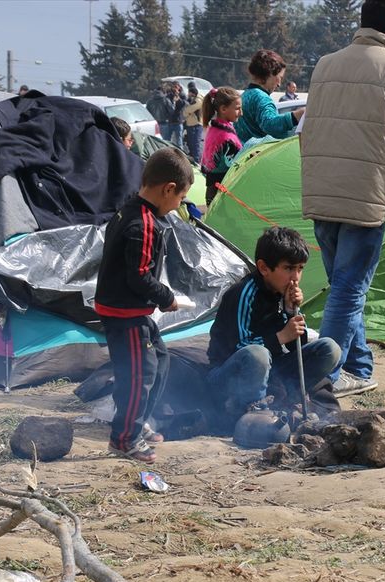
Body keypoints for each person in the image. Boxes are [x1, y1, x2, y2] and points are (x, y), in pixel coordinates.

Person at [299, 0, 385, 398]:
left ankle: (359, 366)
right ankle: (322, 377)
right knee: (350, 288)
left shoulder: (325, 65)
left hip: (323, 190)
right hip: (366, 195)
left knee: (343, 285)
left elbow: (304, 129)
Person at [93, 148, 194, 463]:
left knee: (160, 362)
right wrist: (167, 298)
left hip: (129, 310)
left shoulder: (128, 210)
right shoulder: (144, 224)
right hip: (125, 314)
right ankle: (124, 438)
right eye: (180, 198)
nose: (179, 205)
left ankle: (140, 422)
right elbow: (139, 277)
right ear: (168, 189)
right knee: (138, 375)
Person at [207, 226, 341, 419]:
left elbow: (297, 346)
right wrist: (280, 336)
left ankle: (286, 402)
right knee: (258, 353)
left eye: (300, 269)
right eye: (288, 268)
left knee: (330, 349)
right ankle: (256, 411)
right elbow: (240, 348)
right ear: (264, 268)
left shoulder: (283, 292)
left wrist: (290, 310)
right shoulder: (244, 293)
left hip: (272, 372)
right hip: (229, 375)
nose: (295, 277)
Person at [236, 49, 303, 143]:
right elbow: (270, 125)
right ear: (271, 73)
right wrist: (296, 116)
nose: (279, 84)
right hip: (257, 155)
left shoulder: (244, 96)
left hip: (242, 155)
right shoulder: (261, 98)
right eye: (280, 77)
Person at [201, 86, 242, 205]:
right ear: (223, 109)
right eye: (238, 108)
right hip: (222, 191)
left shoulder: (214, 129)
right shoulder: (226, 138)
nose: (241, 112)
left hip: (213, 189)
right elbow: (235, 165)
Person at [183, 82, 204, 164]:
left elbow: (188, 110)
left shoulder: (198, 100)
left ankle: (196, 162)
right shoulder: (192, 99)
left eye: (189, 93)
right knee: (191, 144)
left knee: (195, 145)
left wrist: (186, 111)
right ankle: (194, 161)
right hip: (191, 124)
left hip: (195, 124)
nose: (188, 94)